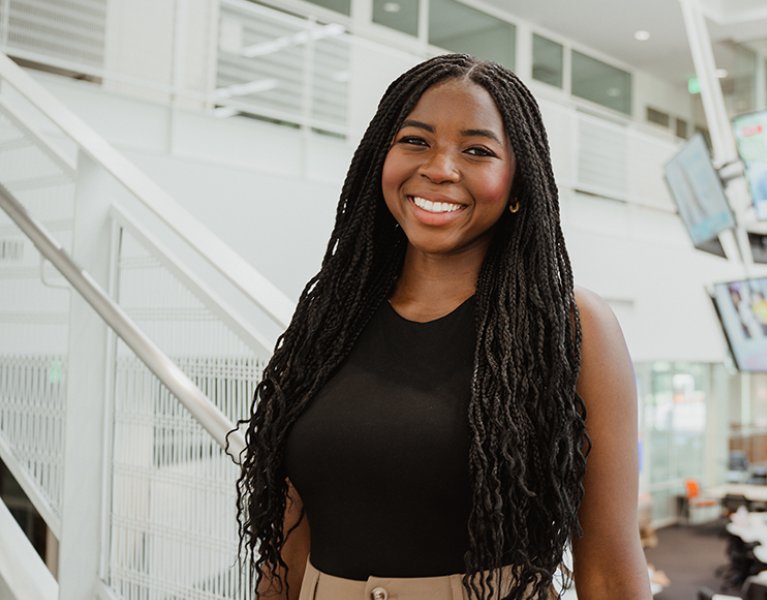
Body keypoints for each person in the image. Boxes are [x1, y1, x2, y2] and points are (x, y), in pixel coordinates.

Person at [235, 54, 651, 600]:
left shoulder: (572, 327)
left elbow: (610, 567)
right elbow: (288, 549)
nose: (440, 168)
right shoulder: (326, 324)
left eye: (477, 150)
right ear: (377, 160)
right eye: (415, 141)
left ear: (518, 184)